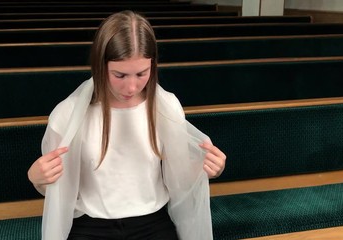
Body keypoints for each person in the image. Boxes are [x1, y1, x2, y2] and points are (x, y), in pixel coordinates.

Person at [27, 10, 226, 240]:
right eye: (120, 75)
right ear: (100, 65)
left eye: (142, 73)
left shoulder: (166, 107)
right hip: (90, 226)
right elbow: (58, 192)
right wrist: (36, 178)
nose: (132, 87)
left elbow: (179, 180)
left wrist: (207, 169)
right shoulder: (68, 114)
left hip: (152, 221)